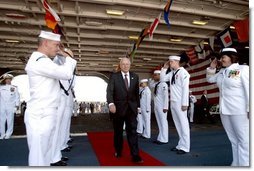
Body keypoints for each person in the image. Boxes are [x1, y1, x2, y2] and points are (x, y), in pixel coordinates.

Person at [24, 30, 77, 166]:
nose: (58, 48)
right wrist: (69, 57)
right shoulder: (39, 61)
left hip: (46, 112)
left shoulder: (44, 61)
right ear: (46, 43)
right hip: (41, 114)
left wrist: (61, 55)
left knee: (46, 155)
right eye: (56, 45)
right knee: (38, 157)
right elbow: (66, 73)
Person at [206, 48, 249, 166]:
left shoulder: (243, 69)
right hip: (225, 110)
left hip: (239, 110)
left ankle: (245, 165)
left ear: (231, 57)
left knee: (244, 140)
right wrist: (212, 68)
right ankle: (236, 163)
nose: (221, 60)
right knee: (233, 140)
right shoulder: (222, 72)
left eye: (222, 57)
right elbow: (210, 79)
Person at [106, 57, 143, 163]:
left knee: (132, 131)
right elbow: (109, 91)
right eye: (123, 64)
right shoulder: (114, 76)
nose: (125, 66)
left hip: (131, 109)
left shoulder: (135, 77)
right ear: (120, 65)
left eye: (127, 64)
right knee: (118, 132)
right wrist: (111, 103)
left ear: (130, 65)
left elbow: (136, 93)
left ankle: (135, 155)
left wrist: (138, 107)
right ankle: (118, 150)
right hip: (118, 109)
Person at [50, 48, 76, 166]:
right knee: (55, 129)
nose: (69, 57)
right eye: (68, 55)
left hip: (64, 98)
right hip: (57, 99)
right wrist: (61, 53)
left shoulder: (66, 67)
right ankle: (53, 157)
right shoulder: (56, 65)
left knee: (61, 126)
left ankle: (57, 154)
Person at [160, 55, 190, 155]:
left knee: (183, 125)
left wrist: (185, 103)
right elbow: (162, 79)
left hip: (181, 102)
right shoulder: (172, 73)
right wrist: (164, 68)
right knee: (178, 124)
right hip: (173, 102)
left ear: (177, 62)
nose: (170, 63)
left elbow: (185, 88)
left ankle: (185, 147)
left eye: (171, 62)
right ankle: (180, 145)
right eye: (170, 62)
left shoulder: (183, 72)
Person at [0, 73, 20, 139]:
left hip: (10, 106)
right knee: (1, 121)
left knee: (10, 120)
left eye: (9, 79)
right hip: (2, 106)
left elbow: (17, 97)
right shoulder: (1, 87)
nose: (8, 81)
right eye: (7, 79)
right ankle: (2, 134)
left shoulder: (14, 88)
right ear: (4, 80)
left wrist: (17, 106)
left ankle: (8, 134)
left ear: (11, 80)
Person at [152, 70, 169, 144]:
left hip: (162, 107)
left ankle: (164, 139)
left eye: (156, 75)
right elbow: (150, 84)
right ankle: (160, 137)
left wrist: (166, 107)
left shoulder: (164, 84)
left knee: (163, 122)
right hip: (157, 106)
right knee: (159, 122)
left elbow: (166, 97)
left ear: (160, 75)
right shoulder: (157, 84)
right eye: (154, 75)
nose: (154, 76)